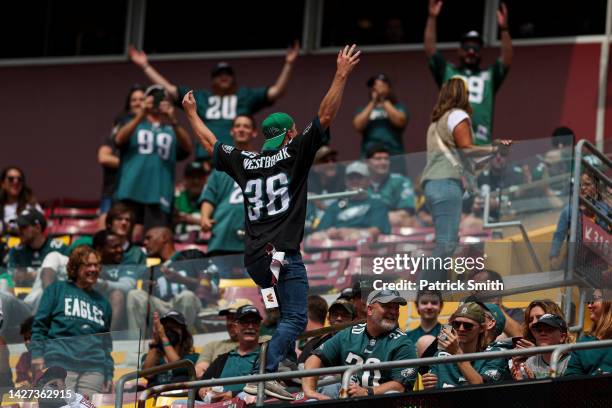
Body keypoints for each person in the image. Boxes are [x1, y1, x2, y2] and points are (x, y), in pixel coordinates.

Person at [183, 44, 361, 400]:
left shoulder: (245, 160)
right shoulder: (294, 153)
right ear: (290, 134)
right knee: (296, 318)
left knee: (280, 317)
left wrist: (190, 111)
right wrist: (341, 74)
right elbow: (325, 117)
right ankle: (262, 375)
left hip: (255, 261)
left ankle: (276, 367)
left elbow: (209, 142)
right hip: (283, 256)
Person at [129, 42, 299, 160]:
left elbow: (276, 91)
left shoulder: (244, 96)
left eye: (227, 74)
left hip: (237, 157)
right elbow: (169, 89)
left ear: (234, 79)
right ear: (212, 80)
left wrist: (289, 64)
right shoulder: (202, 97)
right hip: (207, 156)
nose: (223, 78)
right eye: (219, 75)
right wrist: (145, 66)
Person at [420, 77, 511, 281]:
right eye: (468, 93)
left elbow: (468, 160)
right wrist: (495, 148)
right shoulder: (458, 115)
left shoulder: (435, 124)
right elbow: (468, 149)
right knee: (447, 243)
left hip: (432, 185)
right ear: (462, 94)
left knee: (445, 242)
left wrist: (490, 151)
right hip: (446, 183)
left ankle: (433, 290)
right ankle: (425, 290)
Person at [302, 289, 419, 400]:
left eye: (396, 308)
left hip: (381, 402)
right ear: (369, 309)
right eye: (387, 306)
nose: (393, 312)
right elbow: (314, 358)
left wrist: (367, 392)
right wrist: (310, 391)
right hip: (346, 400)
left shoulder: (403, 343)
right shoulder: (349, 334)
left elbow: (400, 386)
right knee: (314, 399)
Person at [424, 0, 513, 145]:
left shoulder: (489, 76)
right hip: (450, 141)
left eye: (476, 48)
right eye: (467, 47)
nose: (471, 51)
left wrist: (504, 30)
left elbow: (506, 60)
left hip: (480, 141)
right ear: (459, 50)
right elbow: (430, 51)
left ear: (481, 53)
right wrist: (432, 18)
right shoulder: (448, 71)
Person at [31, 246, 113, 396]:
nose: (94, 269)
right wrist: (37, 354)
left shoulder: (103, 303)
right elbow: (40, 326)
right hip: (60, 363)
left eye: (96, 265)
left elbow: (106, 344)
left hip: (94, 370)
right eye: (88, 265)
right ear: (75, 267)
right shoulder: (56, 290)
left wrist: (109, 374)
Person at [114, 85, 193, 237]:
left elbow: (188, 148)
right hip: (130, 191)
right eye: (153, 98)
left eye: (161, 99)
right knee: (122, 237)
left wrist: (173, 120)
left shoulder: (170, 129)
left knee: (156, 238)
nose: (157, 102)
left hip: (159, 194)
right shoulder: (134, 124)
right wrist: (141, 113)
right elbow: (119, 139)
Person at [199, 115, 257, 256]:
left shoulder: (263, 162)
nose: (241, 129)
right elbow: (209, 197)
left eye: (246, 126)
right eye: (237, 126)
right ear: (232, 131)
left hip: (254, 239)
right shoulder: (220, 169)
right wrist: (205, 217)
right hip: (222, 238)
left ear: (254, 132)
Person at [126, 227, 202, 332]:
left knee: (186, 296)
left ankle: (183, 341)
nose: (145, 242)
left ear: (164, 238)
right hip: (162, 310)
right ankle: (135, 345)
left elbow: (210, 286)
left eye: (149, 238)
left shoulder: (191, 256)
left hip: (189, 309)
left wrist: (182, 280)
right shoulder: (151, 270)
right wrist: (147, 290)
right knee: (134, 294)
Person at [97, 84, 146, 229]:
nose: (137, 103)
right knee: (105, 234)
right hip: (113, 191)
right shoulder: (119, 127)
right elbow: (103, 157)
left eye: (141, 99)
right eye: (134, 100)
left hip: (139, 194)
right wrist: (132, 165)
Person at [432, 302, 508, 388]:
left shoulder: (495, 354)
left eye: (468, 325)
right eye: (456, 324)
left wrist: (457, 353)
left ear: (482, 328)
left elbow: (482, 389)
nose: (461, 329)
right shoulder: (441, 354)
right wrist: (429, 386)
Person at [198, 305, 264, 403]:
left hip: (250, 403)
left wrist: (234, 394)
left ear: (259, 326)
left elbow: (272, 385)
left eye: (255, 322)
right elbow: (200, 386)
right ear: (235, 327)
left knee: (245, 396)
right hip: (218, 404)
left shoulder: (267, 354)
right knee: (178, 404)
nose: (250, 326)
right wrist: (203, 391)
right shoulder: (222, 359)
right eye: (245, 322)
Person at [311, 161, 391, 241]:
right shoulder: (337, 206)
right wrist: (329, 232)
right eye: (351, 178)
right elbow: (320, 231)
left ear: (368, 181)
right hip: (335, 245)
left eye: (359, 177)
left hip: (363, 244)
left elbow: (377, 231)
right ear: (346, 181)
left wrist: (352, 232)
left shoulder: (376, 204)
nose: (354, 181)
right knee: (314, 238)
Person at [194, 299, 261, 378]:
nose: (230, 322)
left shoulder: (264, 342)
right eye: (228, 318)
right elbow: (199, 372)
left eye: (234, 317)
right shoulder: (212, 346)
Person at [92, 230, 140, 331]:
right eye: (114, 247)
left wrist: (103, 284)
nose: (120, 250)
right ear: (99, 250)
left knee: (117, 294)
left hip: (120, 313)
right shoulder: (90, 265)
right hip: (92, 305)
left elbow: (128, 286)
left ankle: (108, 338)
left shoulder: (127, 263)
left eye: (120, 246)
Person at [352, 73, 408, 159]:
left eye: (380, 85)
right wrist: (373, 102)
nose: (376, 89)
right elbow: (358, 125)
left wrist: (383, 99)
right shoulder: (363, 109)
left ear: (388, 88)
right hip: (369, 155)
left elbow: (400, 122)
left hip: (394, 155)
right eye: (373, 86)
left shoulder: (398, 107)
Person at [8, 209, 68, 289]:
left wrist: (29, 275)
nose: (19, 231)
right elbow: (12, 276)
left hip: (51, 295)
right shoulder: (16, 251)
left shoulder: (60, 249)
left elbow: (66, 277)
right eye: (19, 227)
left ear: (37, 228)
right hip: (21, 298)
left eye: (23, 227)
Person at [142, 310, 199, 387]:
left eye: (174, 327)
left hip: (181, 397)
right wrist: (155, 339)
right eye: (166, 328)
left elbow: (178, 366)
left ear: (184, 333)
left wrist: (163, 336)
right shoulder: (149, 356)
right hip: (155, 398)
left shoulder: (194, 358)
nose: (170, 331)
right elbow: (147, 374)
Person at [366, 144, 415, 227]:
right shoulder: (359, 182)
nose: (383, 162)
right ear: (367, 162)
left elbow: (406, 211)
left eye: (386, 159)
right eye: (378, 159)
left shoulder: (401, 181)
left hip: (394, 229)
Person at [565, 290, 612, 376]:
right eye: (588, 302)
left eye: (592, 301)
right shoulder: (584, 342)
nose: (589, 306)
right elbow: (571, 376)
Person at [298, 298, 356, 366]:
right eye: (335, 314)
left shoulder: (361, 341)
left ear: (353, 320)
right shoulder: (315, 344)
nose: (339, 318)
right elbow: (301, 367)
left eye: (345, 315)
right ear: (328, 318)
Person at [511, 313, 570, 379]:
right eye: (539, 330)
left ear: (562, 337)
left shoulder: (570, 361)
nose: (542, 333)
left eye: (549, 330)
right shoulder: (531, 362)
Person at [0, 166, 41, 235]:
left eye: (19, 179)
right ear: (3, 184)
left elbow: (39, 230)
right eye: (11, 179)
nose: (16, 182)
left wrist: (10, 229)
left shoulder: (31, 206)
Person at [174, 162, 209, 237]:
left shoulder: (213, 199)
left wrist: (191, 219)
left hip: (206, 243)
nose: (196, 181)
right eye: (192, 177)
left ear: (205, 179)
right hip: (179, 242)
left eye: (199, 177)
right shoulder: (176, 197)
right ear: (185, 178)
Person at [15, 316, 34, 387]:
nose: (27, 342)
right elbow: (21, 381)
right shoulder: (25, 357)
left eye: (30, 337)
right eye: (25, 338)